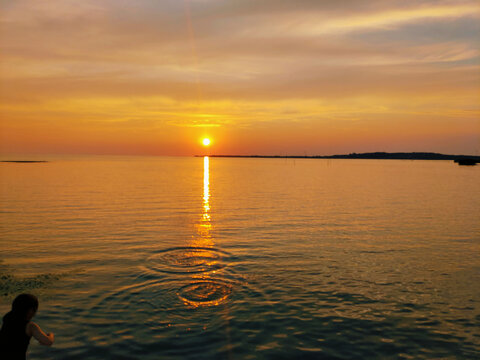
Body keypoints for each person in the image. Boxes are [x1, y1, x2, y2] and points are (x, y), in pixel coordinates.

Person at [0, 294, 54, 360]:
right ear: (31, 310)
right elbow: (48, 342)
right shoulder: (30, 326)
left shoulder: (7, 321)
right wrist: (51, 335)